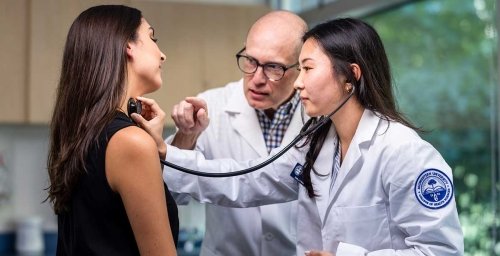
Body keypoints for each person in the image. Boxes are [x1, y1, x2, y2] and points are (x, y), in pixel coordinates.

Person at [160, 18, 464, 255]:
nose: (298, 84)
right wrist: (165, 154)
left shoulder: (404, 152)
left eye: (306, 69)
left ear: (350, 77)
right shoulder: (315, 145)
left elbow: (441, 251)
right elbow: (246, 180)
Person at [162, 10, 308, 256]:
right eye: (250, 60)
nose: (256, 79)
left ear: (301, 67)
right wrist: (185, 137)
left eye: (273, 67)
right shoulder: (210, 106)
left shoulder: (318, 118)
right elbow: (171, 195)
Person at [46, 5, 178, 255]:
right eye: (152, 37)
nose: (162, 55)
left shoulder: (82, 133)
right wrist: (143, 143)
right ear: (127, 46)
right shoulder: (131, 142)